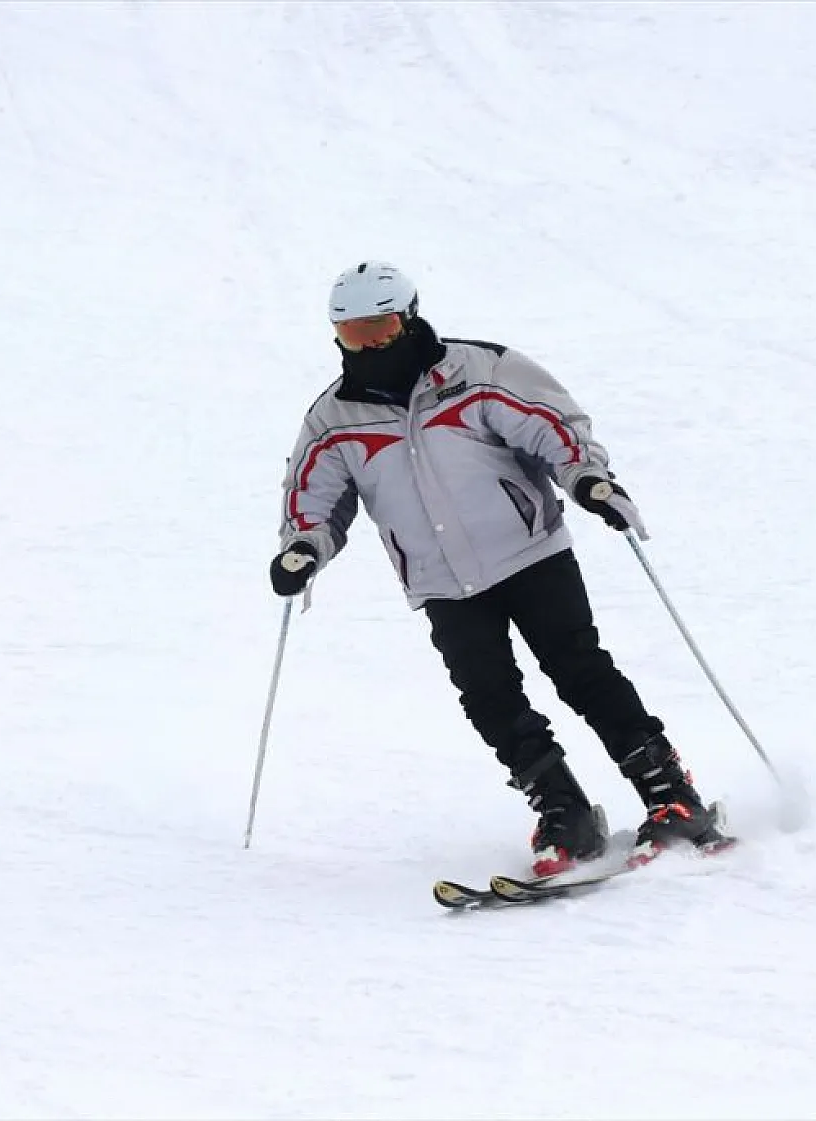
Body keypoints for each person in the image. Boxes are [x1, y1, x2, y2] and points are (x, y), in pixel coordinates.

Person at [271, 260, 730, 876]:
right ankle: (564, 810)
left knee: (581, 672)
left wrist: (587, 479)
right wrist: (302, 548)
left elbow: (555, 427)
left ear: (408, 318)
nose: (370, 345)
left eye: (379, 329)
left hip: (529, 552)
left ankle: (670, 795)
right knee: (489, 698)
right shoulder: (333, 419)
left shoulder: (478, 372)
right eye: (354, 335)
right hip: (440, 581)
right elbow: (313, 499)